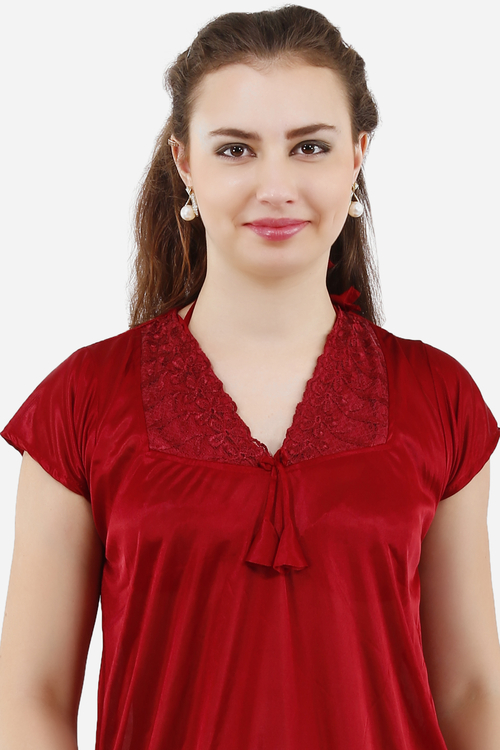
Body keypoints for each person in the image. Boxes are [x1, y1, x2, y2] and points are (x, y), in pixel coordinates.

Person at [0, 5, 499, 749]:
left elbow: (471, 693)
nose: (276, 186)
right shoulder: (82, 399)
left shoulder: (441, 396)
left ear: (357, 157)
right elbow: (30, 695)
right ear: (185, 163)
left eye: (310, 147)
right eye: (236, 149)